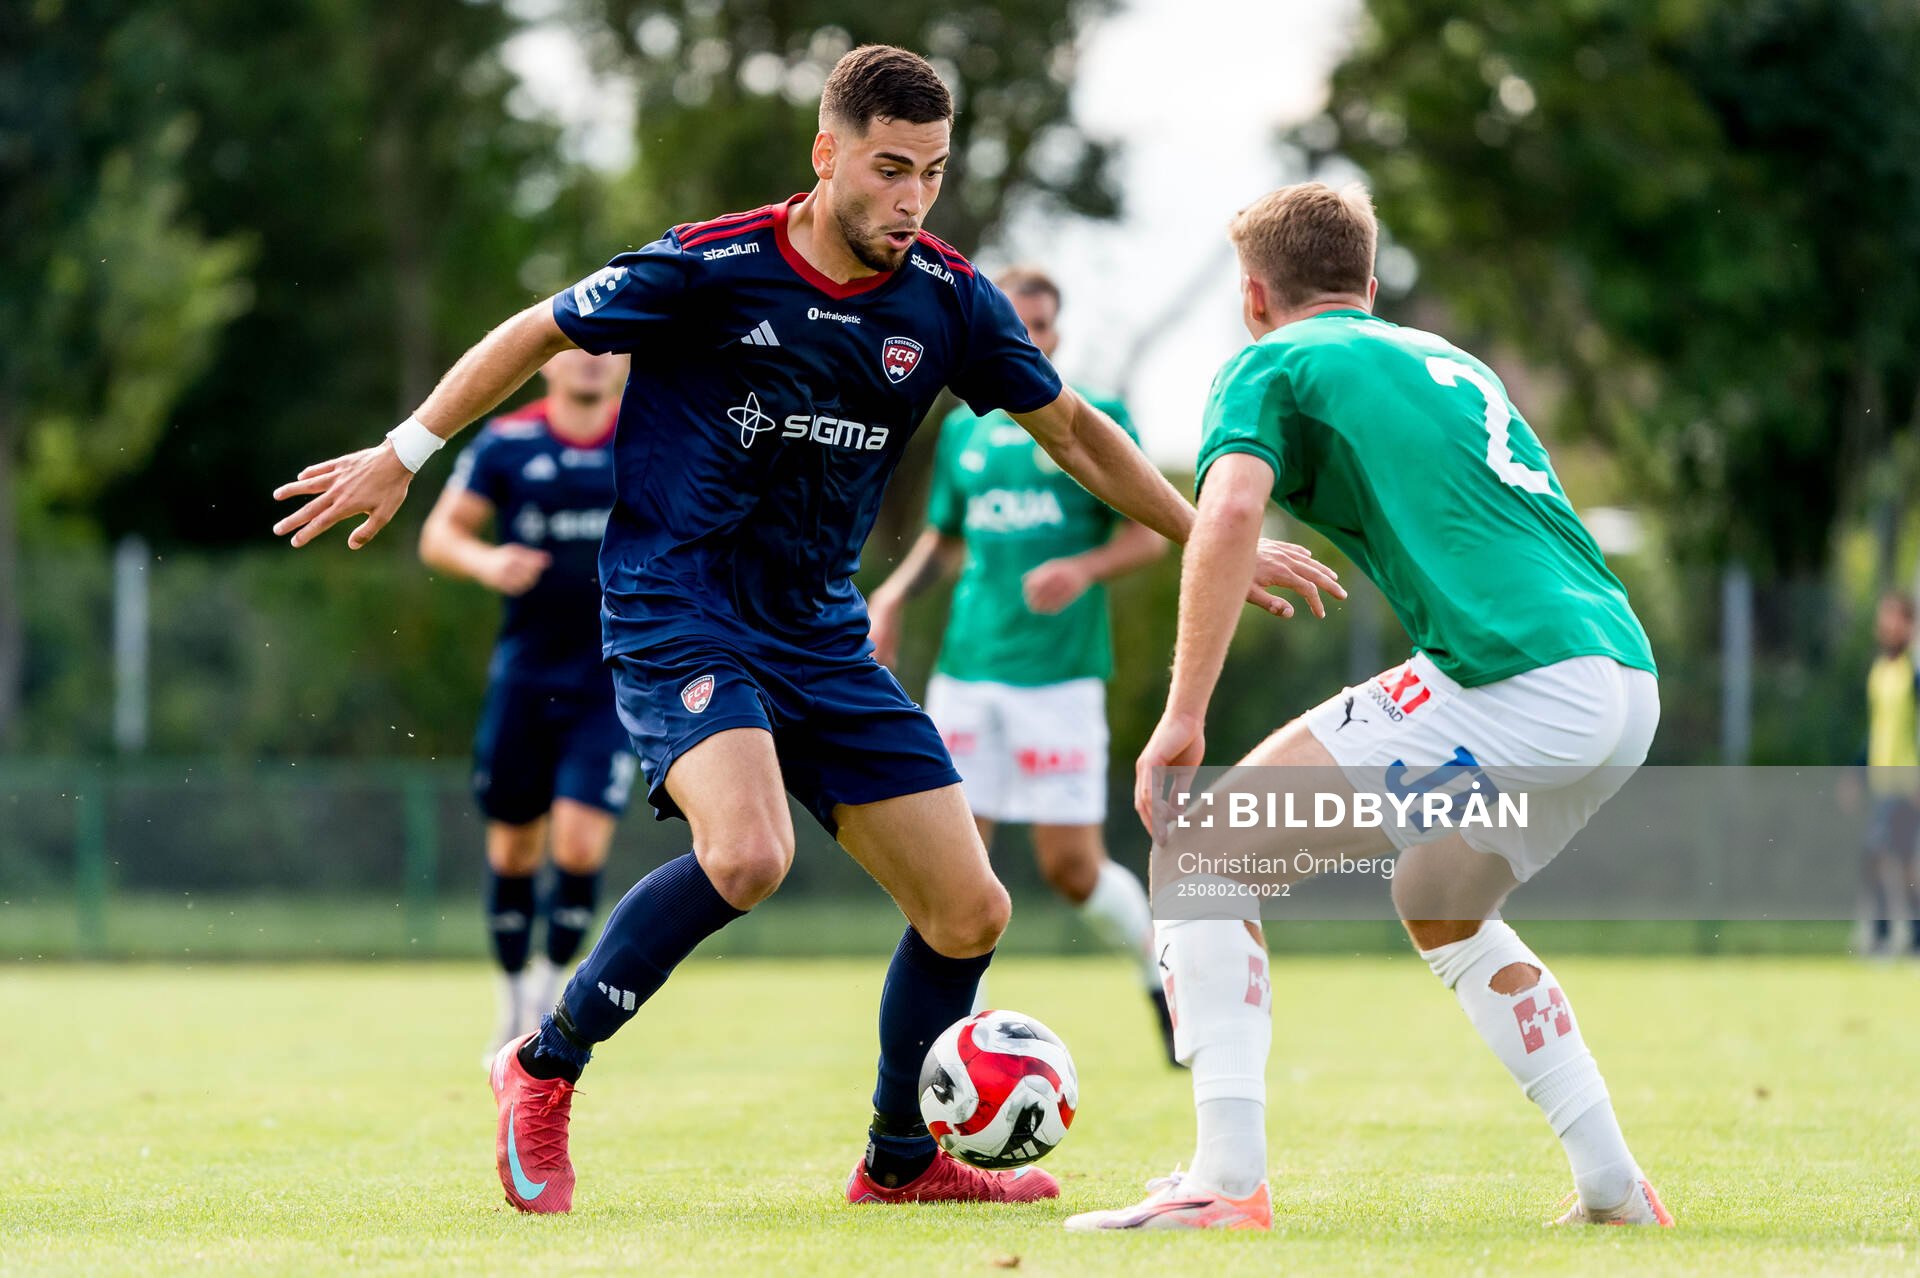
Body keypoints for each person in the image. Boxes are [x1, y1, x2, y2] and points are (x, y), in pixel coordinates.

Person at [271, 45, 1341, 1216]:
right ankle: (540, 1066)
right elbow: (536, 330)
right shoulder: (709, 265)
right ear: (827, 154)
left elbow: (1075, 432)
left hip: (818, 630)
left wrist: (1206, 538)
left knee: (972, 908)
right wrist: (404, 454)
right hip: (679, 605)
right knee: (749, 855)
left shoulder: (947, 300)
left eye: (931, 173)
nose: (912, 199)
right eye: (889, 169)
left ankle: (897, 1161)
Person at [1066, 182, 1672, 1232]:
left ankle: (1225, 1179)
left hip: (1517, 678)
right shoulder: (1449, 360)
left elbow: (1228, 511)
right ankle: (1614, 1184)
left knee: (1201, 856)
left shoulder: (1268, 361)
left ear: (1254, 295)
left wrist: (1182, 715)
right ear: (1368, 283)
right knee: (1443, 901)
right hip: (1624, 682)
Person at [869, 265, 1177, 1062]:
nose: (1029, 337)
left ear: (1055, 334)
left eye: (1041, 326)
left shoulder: (1093, 419)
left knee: (1071, 870)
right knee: (952, 869)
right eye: (1017, 324)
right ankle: (956, 1047)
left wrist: (1085, 568)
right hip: (967, 674)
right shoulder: (965, 431)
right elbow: (945, 534)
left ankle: (1160, 973)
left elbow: (1148, 531)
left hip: (1060, 678)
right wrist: (895, 595)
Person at [416, 349, 639, 1061]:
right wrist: (487, 562)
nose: (594, 363)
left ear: (628, 363)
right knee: (514, 849)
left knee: (577, 843)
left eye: (610, 351)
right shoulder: (509, 442)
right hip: (524, 676)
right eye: (580, 348)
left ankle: (547, 998)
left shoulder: (647, 437)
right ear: (547, 362)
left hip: (611, 679)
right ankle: (509, 1000)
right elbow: (440, 534)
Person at [1855, 592, 1920, 957]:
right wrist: (1856, 771)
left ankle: (1884, 939)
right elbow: (1877, 730)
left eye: (1895, 618)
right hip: (1882, 782)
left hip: (1907, 784)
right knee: (1895, 861)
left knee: (1881, 857)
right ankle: (1908, 937)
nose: (1887, 626)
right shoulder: (1880, 672)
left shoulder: (1913, 673)